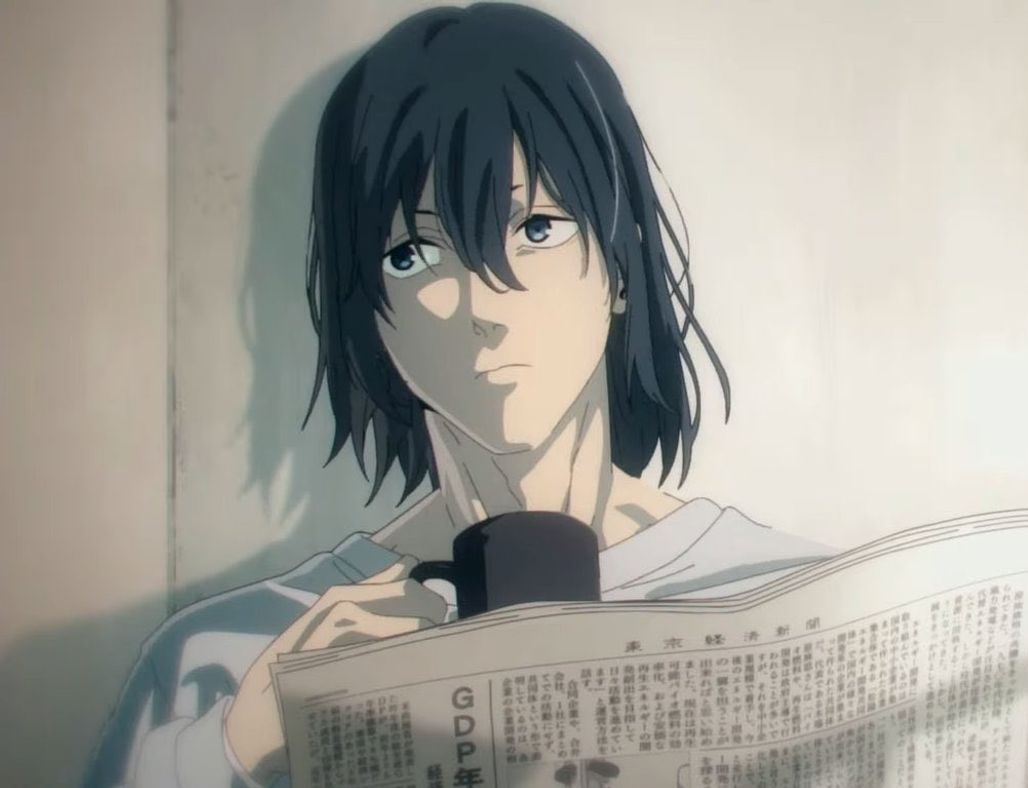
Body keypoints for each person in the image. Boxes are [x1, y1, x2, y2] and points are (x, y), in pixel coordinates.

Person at [82, 5, 837, 787]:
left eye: (536, 230)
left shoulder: (788, 607)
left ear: (621, 264)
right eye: (414, 253)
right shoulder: (225, 659)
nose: (481, 305)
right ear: (367, 313)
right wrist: (243, 743)